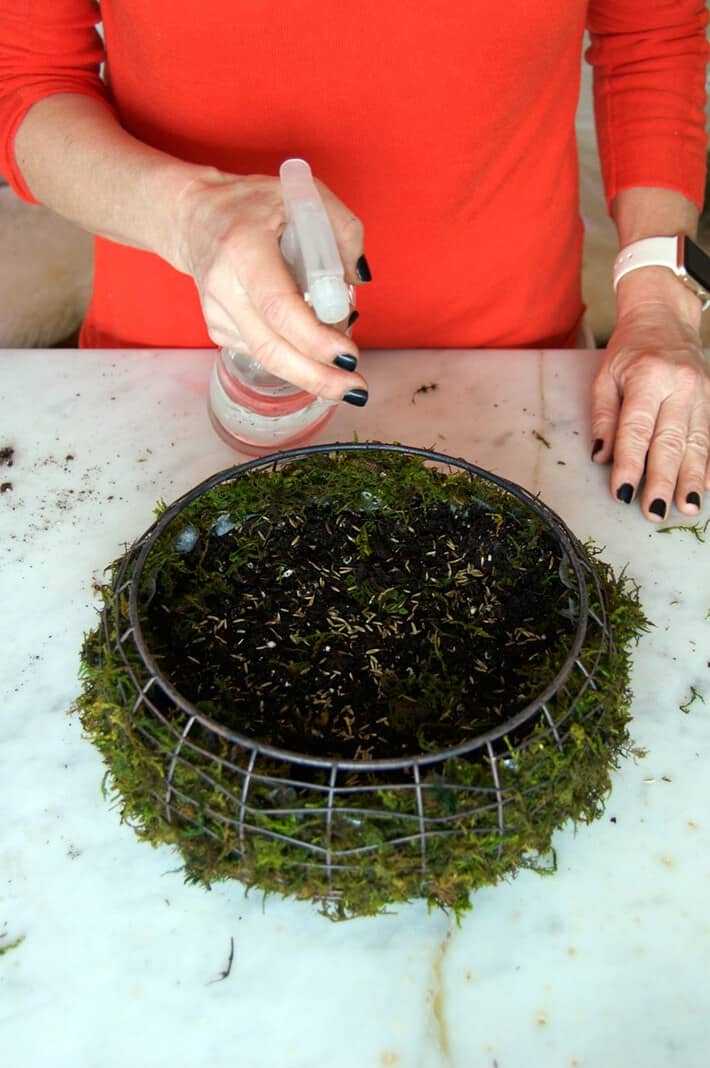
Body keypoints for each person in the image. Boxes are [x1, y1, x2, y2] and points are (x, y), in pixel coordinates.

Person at [0, 1, 708, 521]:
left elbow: (651, 37)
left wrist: (658, 290)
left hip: (514, 366)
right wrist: (191, 215)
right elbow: (27, 77)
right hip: (177, 372)